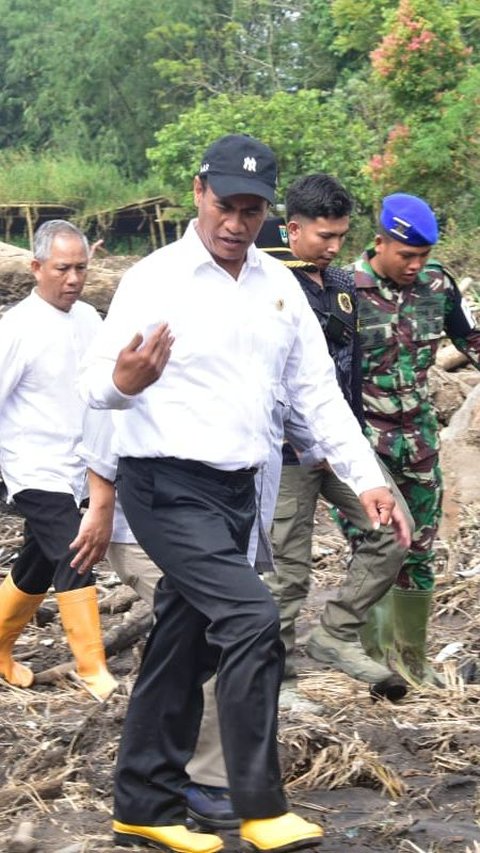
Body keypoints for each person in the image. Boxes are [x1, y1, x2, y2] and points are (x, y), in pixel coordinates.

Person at [80, 133, 407, 853]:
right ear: (199, 191)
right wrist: (121, 385)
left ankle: (142, 803)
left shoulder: (278, 288)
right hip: (165, 484)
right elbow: (96, 383)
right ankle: (257, 803)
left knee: (180, 645)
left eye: (252, 209)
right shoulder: (155, 278)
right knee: (254, 617)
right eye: (227, 204)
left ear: (268, 212)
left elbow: (316, 397)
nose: (237, 221)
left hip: (238, 491)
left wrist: (368, 477)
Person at [256, 177, 413, 700]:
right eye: (324, 235)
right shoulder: (264, 283)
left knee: (395, 532)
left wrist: (351, 438)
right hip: (284, 452)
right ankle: (277, 681)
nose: (333, 246)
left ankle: (336, 632)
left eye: (342, 235)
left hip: (340, 444)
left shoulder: (340, 282)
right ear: (293, 228)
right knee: (285, 574)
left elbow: (348, 368)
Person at [351, 192, 480, 685]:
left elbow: (470, 340)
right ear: (379, 242)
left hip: (421, 443)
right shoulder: (348, 290)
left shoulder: (438, 285)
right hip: (366, 447)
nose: (415, 265)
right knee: (378, 549)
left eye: (423, 255)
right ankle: (373, 663)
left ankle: (412, 663)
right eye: (406, 255)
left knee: (420, 552)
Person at [0, 219, 117, 702]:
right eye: (62, 269)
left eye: (81, 269)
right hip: (31, 464)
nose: (73, 279)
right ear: (36, 267)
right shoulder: (16, 329)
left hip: (80, 464)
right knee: (76, 549)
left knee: (39, 561)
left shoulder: (91, 319)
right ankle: (94, 672)